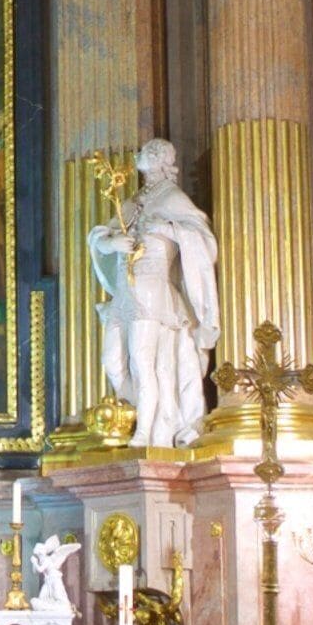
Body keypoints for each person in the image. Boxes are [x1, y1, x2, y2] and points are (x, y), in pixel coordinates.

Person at [88, 138, 219, 450]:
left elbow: (203, 239)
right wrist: (111, 244)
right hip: (124, 290)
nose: (140, 154)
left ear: (162, 160)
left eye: (148, 151)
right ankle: (157, 412)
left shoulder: (172, 197)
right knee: (113, 360)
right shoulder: (132, 201)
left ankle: (146, 432)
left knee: (143, 363)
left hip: (152, 288)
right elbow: (103, 237)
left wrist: (168, 229)